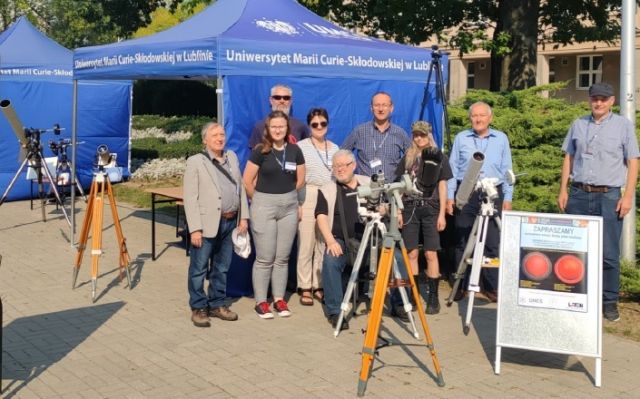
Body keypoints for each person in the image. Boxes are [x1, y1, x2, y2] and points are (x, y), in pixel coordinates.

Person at [557, 82, 639, 322]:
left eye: (603, 99)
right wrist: (563, 190)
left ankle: (609, 302)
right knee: (576, 250)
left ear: (612, 101)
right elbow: (569, 157)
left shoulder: (624, 126)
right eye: (595, 99)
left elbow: (633, 161)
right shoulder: (578, 124)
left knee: (609, 254)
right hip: (579, 194)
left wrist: (627, 196)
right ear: (589, 100)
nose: (598, 103)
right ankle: (578, 297)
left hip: (609, 195)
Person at [316, 150, 410, 330]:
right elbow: (320, 216)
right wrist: (330, 241)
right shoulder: (327, 189)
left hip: (374, 238)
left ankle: (399, 304)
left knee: (397, 258)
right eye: (336, 166)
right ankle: (335, 311)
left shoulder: (369, 183)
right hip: (342, 241)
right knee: (330, 261)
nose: (339, 169)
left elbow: (388, 203)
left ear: (353, 166)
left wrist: (387, 210)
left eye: (343, 165)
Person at [183, 122, 249, 328]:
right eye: (214, 135)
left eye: (222, 134)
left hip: (231, 221)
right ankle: (198, 307)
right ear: (205, 140)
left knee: (222, 268)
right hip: (206, 224)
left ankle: (217, 303)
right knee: (199, 268)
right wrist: (195, 228)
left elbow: (242, 189)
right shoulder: (196, 162)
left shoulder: (232, 157)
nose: (220, 138)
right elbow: (190, 197)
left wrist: (244, 217)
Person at [446, 102, 513, 302]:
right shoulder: (461, 138)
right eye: (474, 115)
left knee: (493, 242)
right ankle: (461, 285)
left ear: (490, 118)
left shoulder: (501, 139)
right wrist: (451, 196)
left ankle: (491, 287)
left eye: (482, 115)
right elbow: (452, 170)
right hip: (467, 192)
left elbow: (507, 169)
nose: (478, 119)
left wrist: (507, 198)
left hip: (493, 192)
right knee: (463, 240)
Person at [243, 110, 306, 319]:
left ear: (287, 128)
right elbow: (247, 181)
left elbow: (300, 179)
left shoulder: (295, 150)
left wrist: (288, 197)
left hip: (288, 207)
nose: (278, 130)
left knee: (282, 257)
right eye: (274, 126)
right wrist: (261, 199)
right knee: (265, 258)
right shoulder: (260, 151)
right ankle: (261, 301)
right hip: (264, 207)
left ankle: (279, 299)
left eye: (281, 126)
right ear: (268, 130)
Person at [395, 121, 452, 314]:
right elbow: (400, 186)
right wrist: (398, 211)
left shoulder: (439, 157)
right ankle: (413, 295)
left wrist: (442, 213)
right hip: (411, 206)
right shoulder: (408, 157)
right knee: (411, 252)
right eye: (416, 135)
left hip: (431, 207)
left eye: (423, 135)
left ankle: (434, 297)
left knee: (430, 253)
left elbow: (443, 186)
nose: (419, 138)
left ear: (429, 136)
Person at [295, 108, 340, 306]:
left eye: (323, 123)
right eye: (315, 124)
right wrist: (297, 202)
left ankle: (318, 284)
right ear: (309, 126)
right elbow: (295, 178)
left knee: (323, 241)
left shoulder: (335, 148)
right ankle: (304, 286)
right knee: (306, 242)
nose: (319, 127)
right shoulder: (301, 147)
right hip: (308, 193)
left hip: (328, 194)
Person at [341, 91, 411, 178]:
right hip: (366, 188)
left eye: (384, 105)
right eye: (377, 105)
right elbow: (342, 155)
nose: (380, 109)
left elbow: (412, 157)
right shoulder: (359, 131)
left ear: (391, 108)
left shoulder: (400, 133)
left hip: (392, 188)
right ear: (371, 108)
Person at [248, 84, 310, 148]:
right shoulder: (259, 126)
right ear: (271, 100)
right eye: (277, 97)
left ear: (291, 101)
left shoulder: (300, 126)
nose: (282, 101)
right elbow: (255, 153)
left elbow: (306, 150)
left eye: (286, 98)